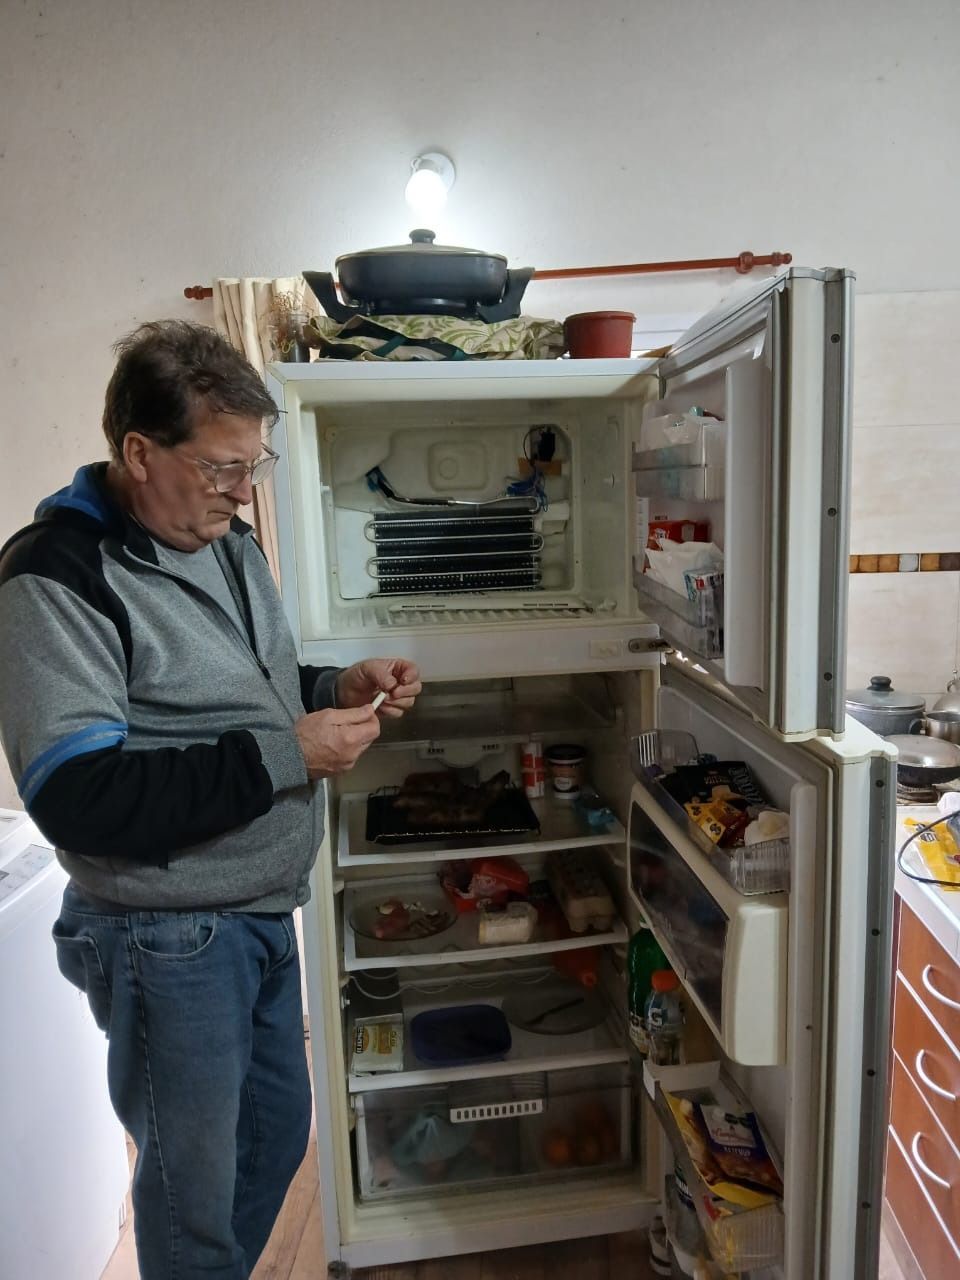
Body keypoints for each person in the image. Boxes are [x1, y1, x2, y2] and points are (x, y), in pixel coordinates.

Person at [0, 320, 422, 1280]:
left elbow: (244, 688)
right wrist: (288, 753)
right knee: (193, 1200)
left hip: (261, 914)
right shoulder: (55, 575)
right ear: (140, 454)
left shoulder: (224, 543)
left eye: (253, 467)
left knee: (274, 1142)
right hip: (168, 941)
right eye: (222, 469)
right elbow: (77, 794)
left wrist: (330, 688)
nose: (241, 493)